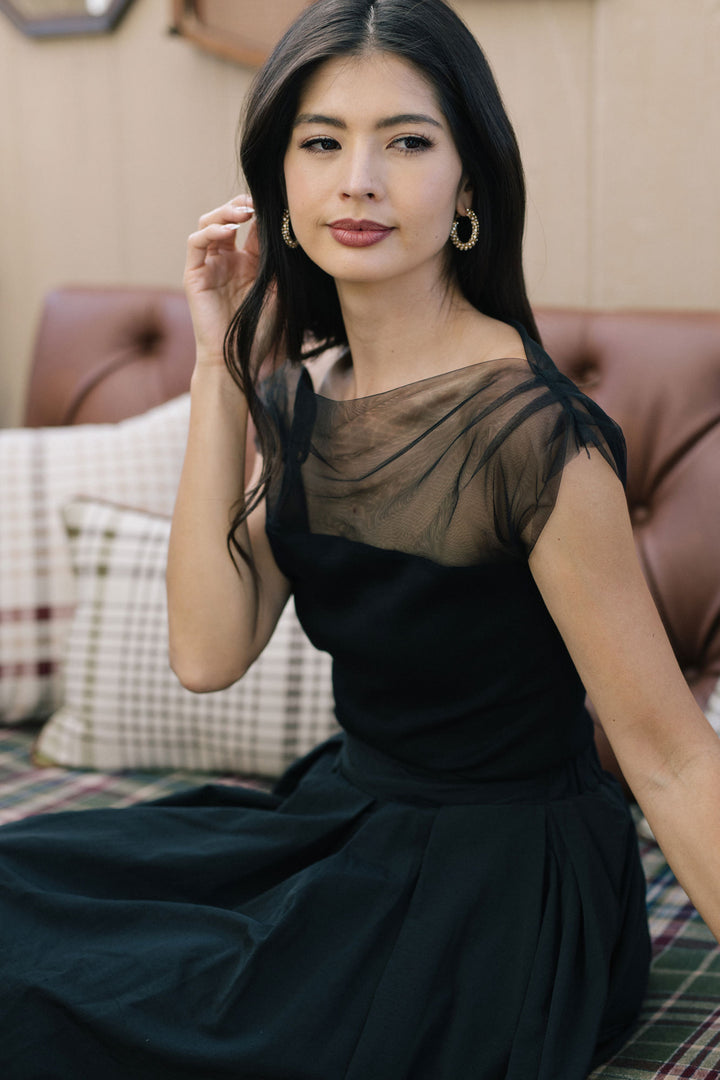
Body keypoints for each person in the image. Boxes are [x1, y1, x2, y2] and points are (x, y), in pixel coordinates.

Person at [2, 1, 720, 1077]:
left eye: (409, 142)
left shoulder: (536, 438)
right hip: (348, 815)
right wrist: (217, 363)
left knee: (76, 1003)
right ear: (279, 184)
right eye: (322, 142)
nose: (360, 181)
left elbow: (669, 759)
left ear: (469, 184)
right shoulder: (301, 395)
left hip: (501, 880)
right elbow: (206, 652)